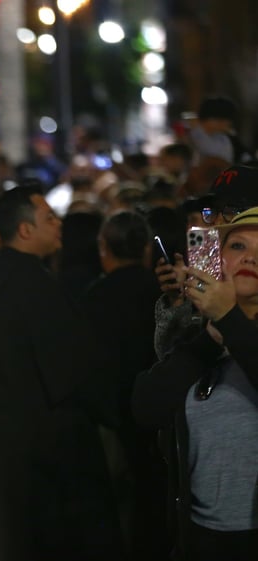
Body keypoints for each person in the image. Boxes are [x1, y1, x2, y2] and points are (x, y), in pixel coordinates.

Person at [0, 184, 123, 561]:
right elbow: (73, 368)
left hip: (10, 441)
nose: (59, 225)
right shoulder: (34, 285)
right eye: (50, 218)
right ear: (24, 230)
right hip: (55, 450)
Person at [132, 207, 258, 561]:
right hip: (199, 539)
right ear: (219, 262)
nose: (250, 256)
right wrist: (212, 335)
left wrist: (231, 320)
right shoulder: (204, 337)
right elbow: (147, 407)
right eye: (237, 246)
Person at [82, 213, 167, 559]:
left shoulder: (94, 296)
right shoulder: (160, 291)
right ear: (147, 249)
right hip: (157, 412)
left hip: (110, 416)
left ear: (104, 247)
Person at [154, 164, 258, 359]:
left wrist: (226, 315)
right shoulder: (206, 264)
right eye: (213, 211)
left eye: (231, 210)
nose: (217, 222)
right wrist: (179, 302)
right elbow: (172, 362)